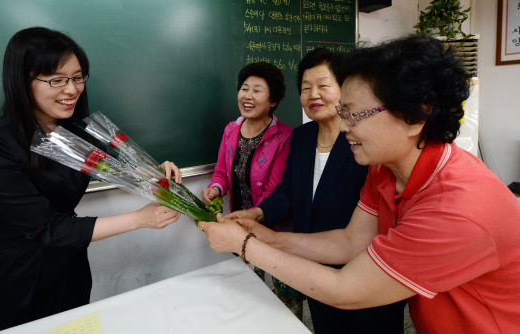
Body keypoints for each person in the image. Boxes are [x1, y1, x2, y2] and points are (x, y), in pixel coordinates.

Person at [199, 34, 520, 334]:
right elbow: (350, 241)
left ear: (415, 116)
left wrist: (243, 245)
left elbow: (346, 289)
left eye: (355, 114)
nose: (345, 127)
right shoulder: (384, 170)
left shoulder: (456, 209)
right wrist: (262, 235)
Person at [0, 27, 182, 334]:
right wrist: (139, 219)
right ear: (22, 80)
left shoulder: (76, 134)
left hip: (70, 270)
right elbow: (48, 227)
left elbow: (117, 170)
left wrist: (154, 172)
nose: (71, 89)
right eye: (57, 79)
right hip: (17, 283)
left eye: (78, 77)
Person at [225, 48, 405, 333]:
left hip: (362, 263)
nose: (313, 95)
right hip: (313, 259)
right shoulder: (301, 137)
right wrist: (256, 212)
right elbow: (287, 190)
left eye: (323, 85)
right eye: (306, 88)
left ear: (345, 90)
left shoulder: (366, 141)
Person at [200, 61, 296, 314]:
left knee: (284, 297)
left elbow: (274, 191)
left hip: (271, 228)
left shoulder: (284, 137)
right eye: (244, 88)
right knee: (245, 292)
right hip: (236, 225)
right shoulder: (231, 130)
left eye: (257, 90)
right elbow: (221, 171)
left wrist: (250, 220)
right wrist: (215, 190)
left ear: (273, 100)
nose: (248, 96)